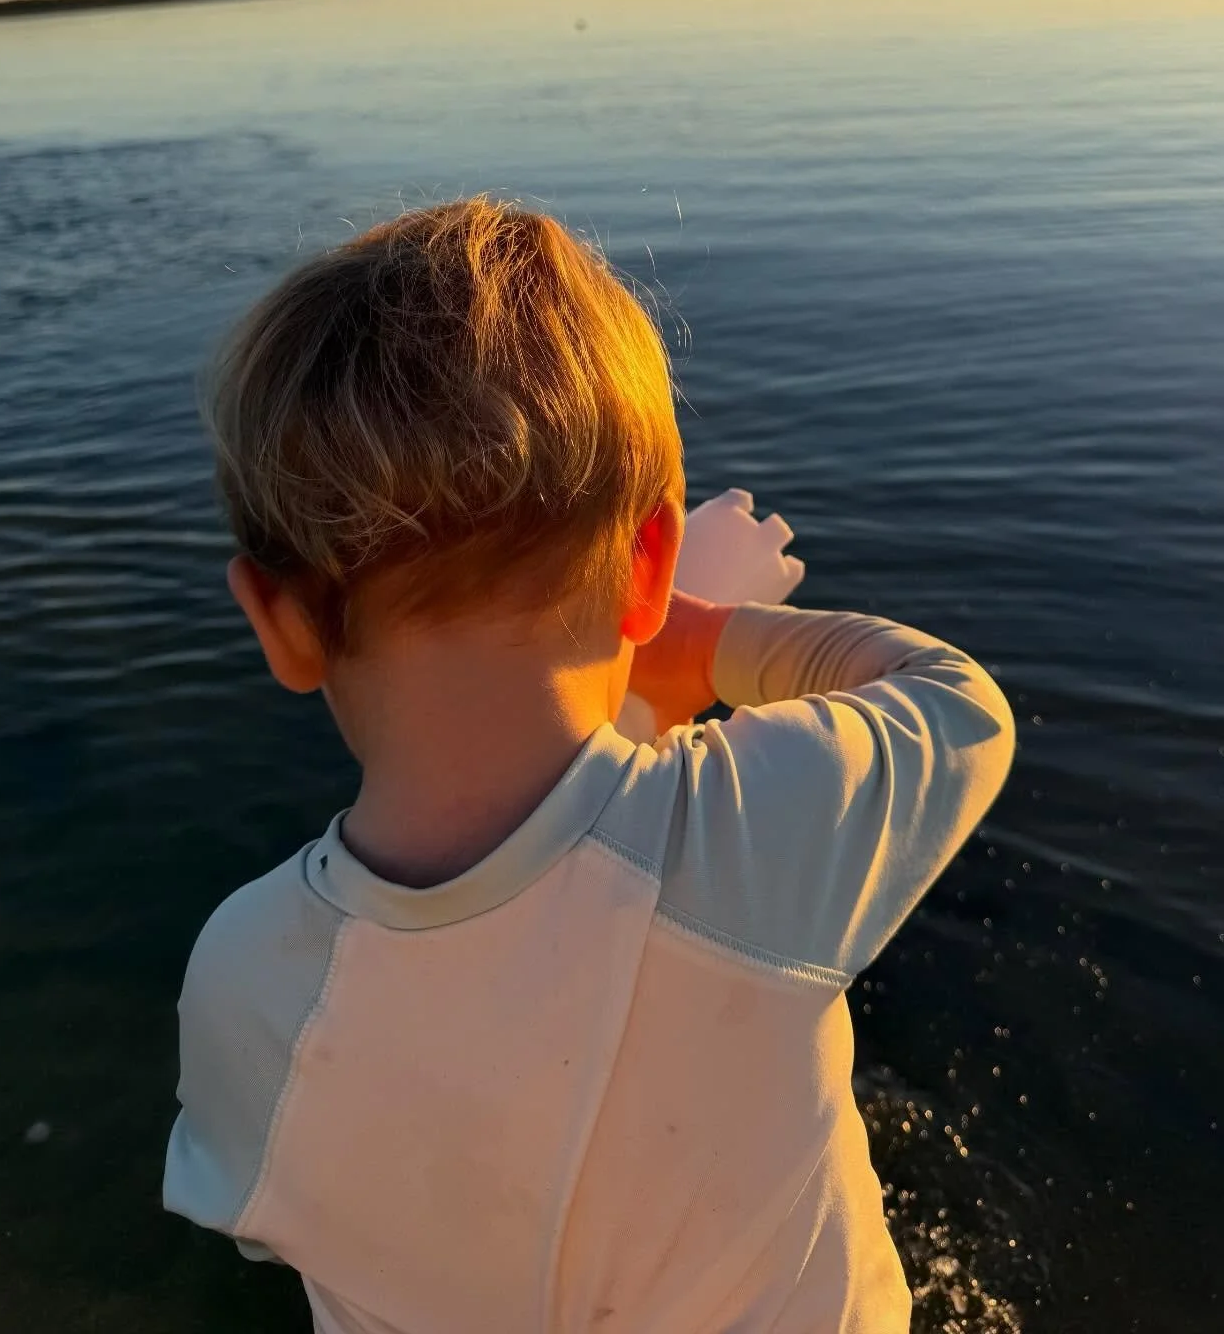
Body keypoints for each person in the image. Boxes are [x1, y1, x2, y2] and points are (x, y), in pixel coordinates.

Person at [164, 196, 1015, 1333]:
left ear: (277, 622)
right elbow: (957, 705)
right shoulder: (755, 843)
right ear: (651, 561)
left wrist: (647, 703)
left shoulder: (243, 972)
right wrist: (703, 641)